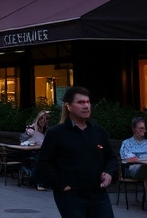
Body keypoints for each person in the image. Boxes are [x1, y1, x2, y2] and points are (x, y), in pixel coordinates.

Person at [35, 86, 117, 218]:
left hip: (98, 195)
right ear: (69, 106)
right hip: (71, 197)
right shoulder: (56, 133)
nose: (86, 106)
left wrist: (108, 173)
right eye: (80, 102)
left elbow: (111, 158)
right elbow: (44, 163)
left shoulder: (98, 132)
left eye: (88, 102)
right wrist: (61, 185)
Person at [120, 117, 147, 204]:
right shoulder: (126, 143)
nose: (144, 131)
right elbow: (129, 159)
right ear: (133, 129)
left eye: (144, 128)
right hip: (132, 170)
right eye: (141, 128)